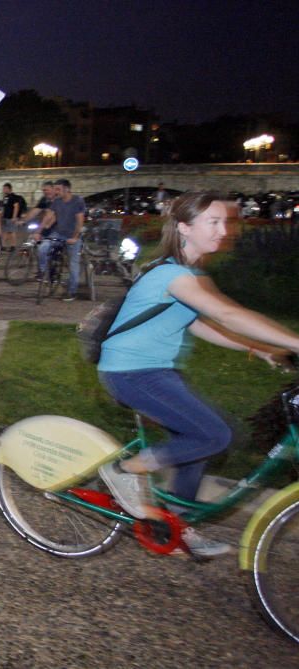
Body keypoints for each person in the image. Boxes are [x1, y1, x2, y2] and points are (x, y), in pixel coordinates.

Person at [96, 191, 299, 557]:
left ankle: (173, 525)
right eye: (214, 222)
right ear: (185, 228)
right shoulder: (173, 274)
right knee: (215, 434)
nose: (224, 230)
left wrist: (261, 348)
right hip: (130, 372)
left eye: (226, 222)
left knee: (197, 445)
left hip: (156, 371)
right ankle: (126, 471)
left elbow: (201, 325)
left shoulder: (189, 274)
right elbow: (228, 316)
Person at [33, 178, 85, 301]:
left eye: (58, 189)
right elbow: (48, 216)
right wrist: (38, 232)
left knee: (73, 263)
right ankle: (44, 273)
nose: (55, 192)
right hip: (59, 233)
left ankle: (72, 292)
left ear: (67, 189)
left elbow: (80, 220)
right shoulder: (57, 201)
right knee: (42, 248)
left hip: (73, 234)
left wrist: (75, 237)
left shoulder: (77, 201)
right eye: (55, 189)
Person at [0, 183, 26, 251]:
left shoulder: (14, 197)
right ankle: (2, 245)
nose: (3, 190)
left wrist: (14, 217)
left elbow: (16, 207)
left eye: (5, 188)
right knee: (5, 231)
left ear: (9, 189)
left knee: (12, 232)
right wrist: (2, 215)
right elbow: (4, 207)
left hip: (11, 218)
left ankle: (13, 246)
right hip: (6, 217)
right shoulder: (6, 197)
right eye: (3, 188)